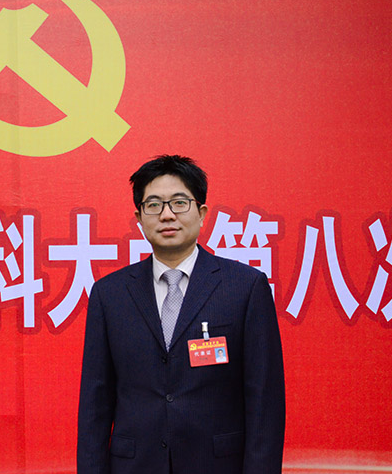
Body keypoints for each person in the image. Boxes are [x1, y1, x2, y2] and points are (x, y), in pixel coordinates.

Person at [77, 155, 285, 474]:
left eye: (179, 203)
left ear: (201, 213)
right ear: (139, 218)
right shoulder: (110, 294)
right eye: (154, 205)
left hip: (217, 465)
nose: (167, 214)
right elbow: (95, 400)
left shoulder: (244, 287)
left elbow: (264, 400)